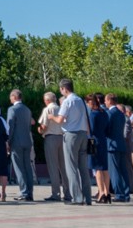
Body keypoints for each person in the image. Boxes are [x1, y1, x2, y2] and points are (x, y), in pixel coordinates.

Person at [48, 78, 91, 206]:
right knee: (83, 168)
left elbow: (60, 120)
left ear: (64, 89)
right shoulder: (81, 100)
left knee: (71, 167)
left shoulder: (67, 101)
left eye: (60, 89)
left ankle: (77, 198)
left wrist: (51, 117)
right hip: (83, 134)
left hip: (71, 135)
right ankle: (87, 198)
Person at [38, 92, 68, 202]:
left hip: (51, 138)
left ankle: (56, 193)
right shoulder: (61, 108)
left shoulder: (47, 109)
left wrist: (40, 130)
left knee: (53, 167)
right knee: (64, 167)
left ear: (47, 100)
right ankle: (68, 192)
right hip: (62, 137)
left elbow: (44, 126)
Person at [6, 89, 35, 202]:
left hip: (16, 142)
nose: (10, 99)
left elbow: (10, 126)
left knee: (19, 168)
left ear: (14, 97)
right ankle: (30, 193)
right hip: (27, 141)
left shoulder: (12, 109)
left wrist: (8, 141)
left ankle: (23, 192)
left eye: (10, 97)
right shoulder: (27, 109)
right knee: (27, 167)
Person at [103, 93, 131, 202]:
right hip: (121, 144)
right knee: (123, 170)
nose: (105, 102)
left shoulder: (110, 113)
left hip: (112, 145)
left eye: (106, 100)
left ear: (110, 100)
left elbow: (107, 128)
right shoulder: (120, 113)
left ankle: (119, 194)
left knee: (114, 171)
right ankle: (126, 193)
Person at [86, 94, 110, 203]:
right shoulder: (104, 113)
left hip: (94, 141)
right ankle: (107, 192)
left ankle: (100, 192)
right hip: (103, 140)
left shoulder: (93, 114)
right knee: (104, 168)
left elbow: (91, 130)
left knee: (97, 168)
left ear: (91, 102)